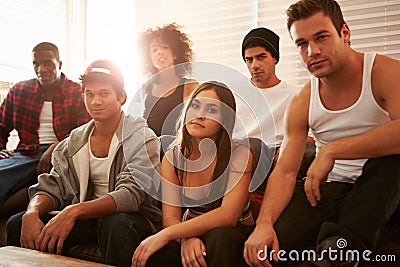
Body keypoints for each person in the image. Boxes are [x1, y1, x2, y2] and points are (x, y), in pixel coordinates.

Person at [243, 0, 400, 266]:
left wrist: (332, 150)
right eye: (302, 44)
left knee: (392, 161)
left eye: (322, 37)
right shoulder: (303, 100)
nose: (312, 51)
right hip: (328, 191)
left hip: (382, 189)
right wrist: (264, 224)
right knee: (267, 254)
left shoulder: (384, 72)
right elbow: (285, 172)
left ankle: (338, 254)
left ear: (345, 33)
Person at [6, 59, 162, 267]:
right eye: (89, 94)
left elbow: (131, 195)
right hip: (88, 220)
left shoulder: (141, 137)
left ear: (121, 96)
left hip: (131, 219)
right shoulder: (74, 141)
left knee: (114, 223)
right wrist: (31, 212)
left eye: (104, 94)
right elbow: (52, 185)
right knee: (17, 223)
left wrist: (74, 211)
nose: (95, 101)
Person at [132, 81, 255, 267]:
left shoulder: (240, 154)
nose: (200, 115)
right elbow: (170, 217)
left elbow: (228, 216)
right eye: (195, 106)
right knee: (158, 254)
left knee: (219, 239)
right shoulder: (173, 158)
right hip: (191, 231)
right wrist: (185, 239)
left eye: (212, 110)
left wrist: (168, 234)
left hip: (233, 236)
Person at [0, 42, 91, 209]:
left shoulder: (78, 92)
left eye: (47, 63)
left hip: (64, 156)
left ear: (60, 64)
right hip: (27, 153)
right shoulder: (19, 91)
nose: (41, 69)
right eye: (36, 64)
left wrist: (56, 148)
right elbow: (1, 125)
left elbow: (84, 132)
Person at [238, 27, 314, 219]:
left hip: (280, 158)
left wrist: (289, 147)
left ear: (275, 58)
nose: (254, 64)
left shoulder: (297, 94)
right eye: (249, 59)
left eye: (261, 57)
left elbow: (314, 137)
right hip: (243, 157)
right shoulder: (236, 96)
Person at [130, 23, 198, 136]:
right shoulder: (146, 87)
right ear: (149, 58)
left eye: (165, 47)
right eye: (154, 50)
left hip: (176, 149)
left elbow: (193, 123)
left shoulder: (189, 85)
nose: (160, 52)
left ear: (175, 54)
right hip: (149, 148)